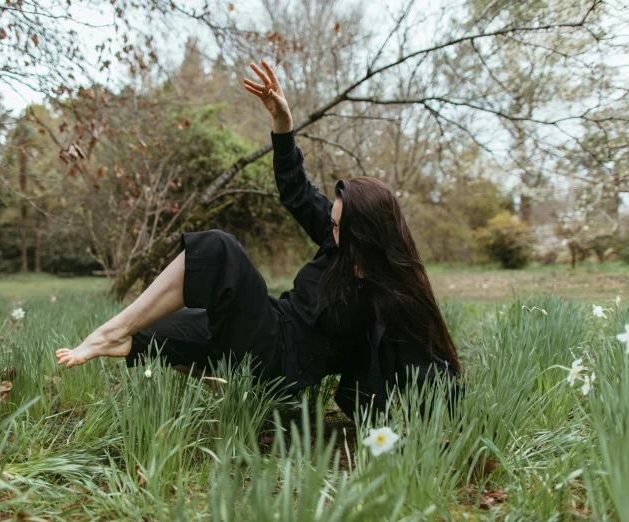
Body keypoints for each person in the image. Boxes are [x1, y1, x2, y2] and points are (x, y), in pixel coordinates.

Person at [56, 60, 462, 421]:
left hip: (282, 360)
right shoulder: (339, 238)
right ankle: (221, 380)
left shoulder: (387, 291)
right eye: (333, 222)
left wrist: (443, 413)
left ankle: (115, 332)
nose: (331, 230)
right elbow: (297, 192)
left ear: (366, 235)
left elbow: (426, 362)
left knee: (219, 249)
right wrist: (283, 125)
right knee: (157, 331)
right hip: (271, 324)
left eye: (339, 227)